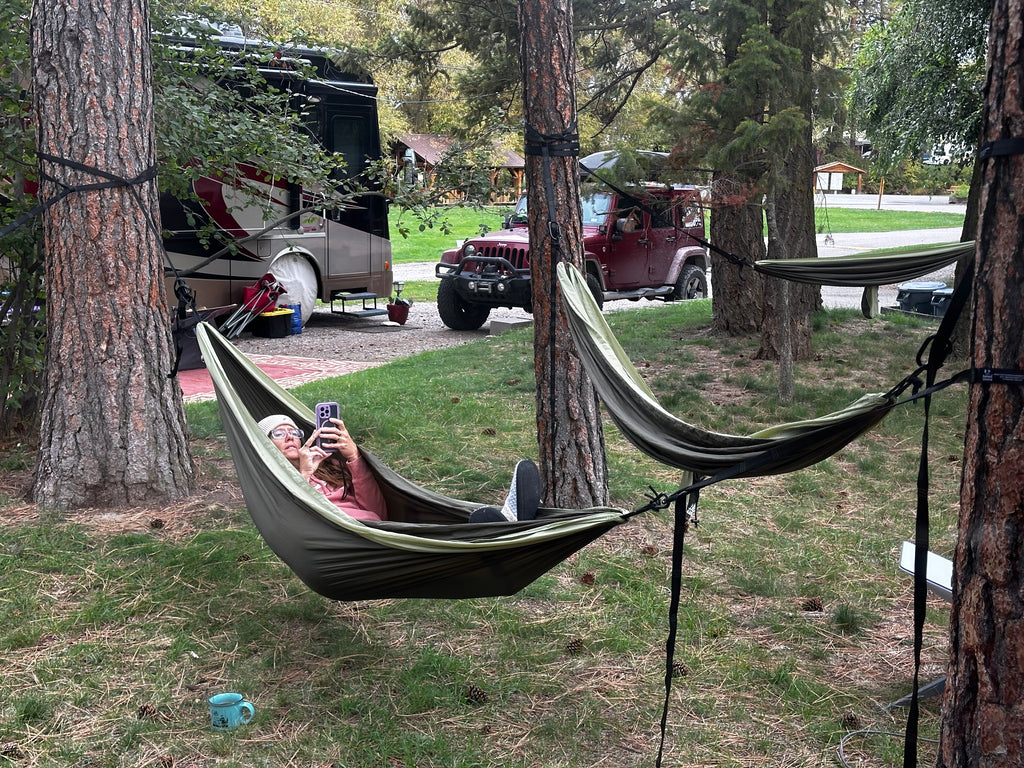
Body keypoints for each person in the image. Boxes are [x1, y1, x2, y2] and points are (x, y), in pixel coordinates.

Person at [258, 414, 541, 524]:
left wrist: (354, 457)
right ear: (265, 446)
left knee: (436, 520)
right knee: (438, 539)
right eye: (278, 434)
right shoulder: (276, 481)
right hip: (352, 538)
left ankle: (503, 525)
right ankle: (502, 525)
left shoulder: (328, 466)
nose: (291, 437)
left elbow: (377, 509)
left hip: (379, 527)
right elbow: (298, 516)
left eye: (293, 431)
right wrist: (304, 474)